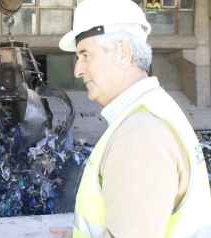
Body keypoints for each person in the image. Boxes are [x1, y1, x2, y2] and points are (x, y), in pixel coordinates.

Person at [50, 0, 211, 237]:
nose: (78, 70)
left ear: (124, 53)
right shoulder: (153, 113)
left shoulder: (141, 134)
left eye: (86, 55)